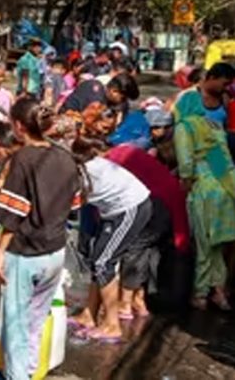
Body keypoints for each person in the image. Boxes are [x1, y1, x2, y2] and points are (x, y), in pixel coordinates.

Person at [0, 98, 82, 380]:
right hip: (55, 252)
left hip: (25, 253)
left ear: (18, 126)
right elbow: (75, 206)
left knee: (15, 326)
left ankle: (18, 376)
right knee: (34, 322)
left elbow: (12, 214)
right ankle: (28, 373)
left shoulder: (23, 159)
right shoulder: (65, 156)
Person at [68, 139, 155, 343]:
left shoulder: (83, 173)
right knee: (96, 260)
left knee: (103, 262)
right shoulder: (81, 167)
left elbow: (63, 206)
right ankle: (89, 315)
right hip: (114, 211)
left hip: (131, 208)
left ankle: (112, 324)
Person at [104, 142, 190, 317]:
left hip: (155, 206)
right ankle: (138, 299)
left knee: (134, 249)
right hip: (164, 206)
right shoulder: (130, 151)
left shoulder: (111, 162)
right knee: (146, 251)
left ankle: (126, 303)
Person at [172, 85, 235, 311]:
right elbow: (222, 161)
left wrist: (185, 184)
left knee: (203, 243)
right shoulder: (212, 125)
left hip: (204, 191)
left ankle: (200, 294)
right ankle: (219, 292)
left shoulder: (184, 127)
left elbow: (186, 163)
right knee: (217, 245)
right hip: (225, 189)